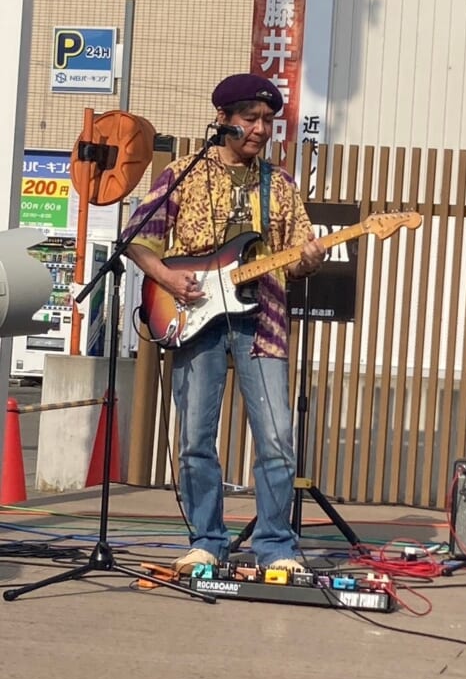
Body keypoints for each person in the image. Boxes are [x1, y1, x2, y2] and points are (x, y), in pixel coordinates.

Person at [123, 73, 326, 575]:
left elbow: (298, 257)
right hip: (194, 317)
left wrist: (309, 259)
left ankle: (276, 547)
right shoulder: (184, 174)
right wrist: (169, 278)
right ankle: (207, 542)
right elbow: (138, 238)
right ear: (224, 119)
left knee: (276, 438)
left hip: (264, 322)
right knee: (196, 438)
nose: (260, 129)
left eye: (267, 121)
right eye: (250, 118)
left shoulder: (279, 184)